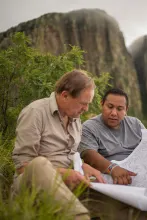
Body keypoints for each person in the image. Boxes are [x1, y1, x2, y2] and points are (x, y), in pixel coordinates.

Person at [12, 69, 105, 220]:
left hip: (65, 186)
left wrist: (82, 166)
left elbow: (70, 156)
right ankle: (80, 217)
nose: (86, 109)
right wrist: (63, 173)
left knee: (109, 199)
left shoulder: (75, 119)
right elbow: (23, 167)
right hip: (33, 186)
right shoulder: (35, 112)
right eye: (83, 103)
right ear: (65, 95)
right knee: (39, 164)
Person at [78, 88, 147, 185]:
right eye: (110, 106)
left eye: (119, 109)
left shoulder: (135, 124)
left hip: (140, 172)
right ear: (102, 104)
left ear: (126, 110)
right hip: (110, 176)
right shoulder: (89, 127)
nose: (113, 113)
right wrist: (112, 168)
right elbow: (88, 154)